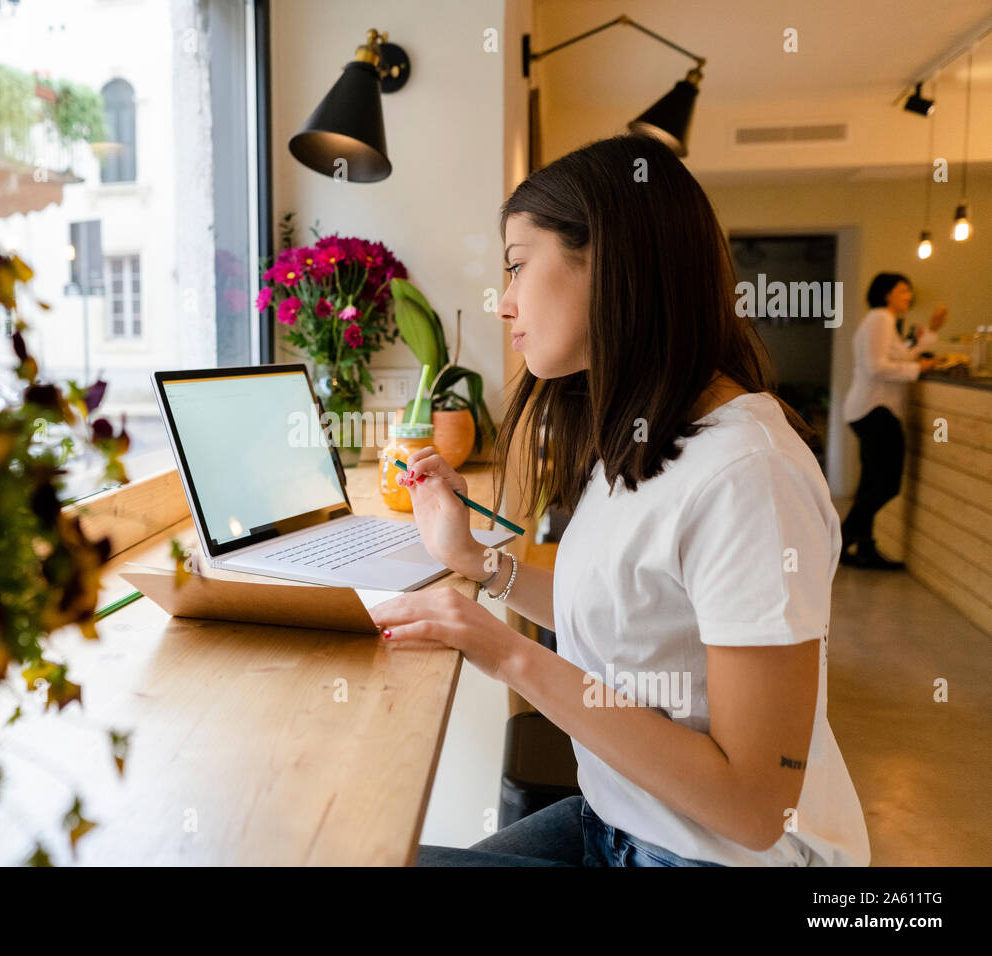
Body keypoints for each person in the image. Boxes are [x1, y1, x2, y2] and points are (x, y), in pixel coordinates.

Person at [369, 134, 870, 867]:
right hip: (620, 819)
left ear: (612, 263)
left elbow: (758, 806)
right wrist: (475, 561)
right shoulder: (646, 435)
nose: (504, 304)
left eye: (516, 265)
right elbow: (630, 613)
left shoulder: (746, 477)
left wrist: (508, 655)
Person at [840, 274, 947, 569]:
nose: (908, 296)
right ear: (886, 294)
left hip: (871, 410)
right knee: (886, 485)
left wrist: (931, 334)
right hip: (876, 410)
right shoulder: (880, 320)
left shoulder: (884, 321)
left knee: (872, 483)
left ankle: (864, 548)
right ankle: (840, 539)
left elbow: (901, 356)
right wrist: (918, 368)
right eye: (902, 291)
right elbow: (877, 367)